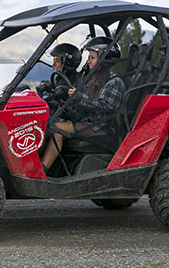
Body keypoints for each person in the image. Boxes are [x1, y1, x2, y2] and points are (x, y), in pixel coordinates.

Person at [41, 36, 126, 174]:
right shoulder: (94, 79)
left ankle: (42, 171)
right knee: (50, 124)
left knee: (56, 130)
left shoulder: (114, 82)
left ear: (104, 59)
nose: (88, 61)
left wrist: (80, 98)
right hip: (88, 123)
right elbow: (83, 108)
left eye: (92, 58)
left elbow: (106, 106)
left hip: (102, 127)